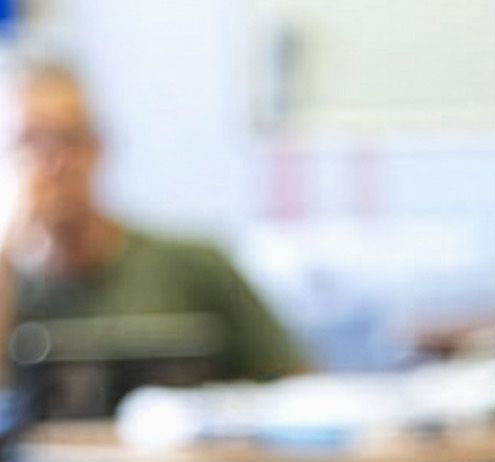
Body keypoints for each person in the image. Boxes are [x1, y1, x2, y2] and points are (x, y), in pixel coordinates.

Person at [3, 59, 303, 405]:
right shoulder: (9, 285)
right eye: (28, 141)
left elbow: (300, 388)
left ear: (99, 148)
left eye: (70, 139)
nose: (54, 162)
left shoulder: (195, 268)